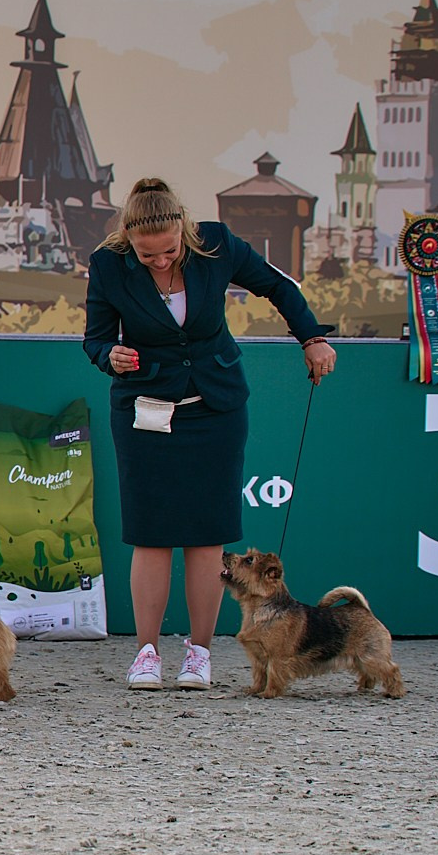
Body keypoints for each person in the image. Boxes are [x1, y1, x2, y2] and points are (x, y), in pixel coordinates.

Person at [82, 176, 335, 691]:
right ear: (128, 236)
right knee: (150, 536)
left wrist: (311, 338)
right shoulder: (108, 263)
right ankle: (146, 654)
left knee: (206, 535)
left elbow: (279, 287)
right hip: (145, 408)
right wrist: (109, 355)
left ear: (184, 230)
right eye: (146, 253)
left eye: (168, 251)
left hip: (215, 407)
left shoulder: (218, 244)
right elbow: (96, 337)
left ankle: (199, 653)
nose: (158, 261)